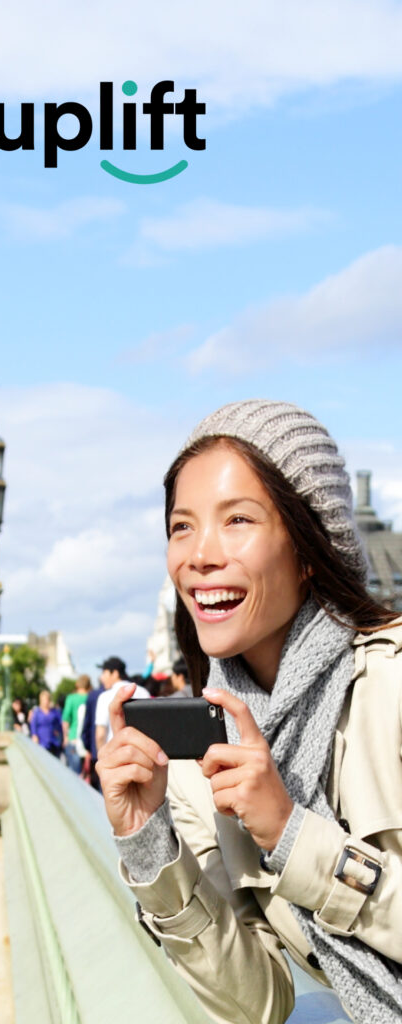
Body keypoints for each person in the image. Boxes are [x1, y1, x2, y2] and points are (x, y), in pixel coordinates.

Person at [97, 399, 402, 1024]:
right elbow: (259, 1001)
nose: (199, 555)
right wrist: (148, 844)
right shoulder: (198, 760)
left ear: (310, 547)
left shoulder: (390, 686)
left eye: (237, 519)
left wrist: (292, 835)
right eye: (182, 526)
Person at [94, 656, 150, 753]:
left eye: (104, 673)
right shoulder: (143, 692)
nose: (101, 677)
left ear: (115, 673)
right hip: (142, 754)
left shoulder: (105, 696)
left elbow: (100, 734)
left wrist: (102, 757)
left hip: (116, 756)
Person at [62, 674, 92, 773]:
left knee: (74, 774)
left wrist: (65, 736)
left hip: (74, 738)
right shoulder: (91, 698)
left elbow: (65, 720)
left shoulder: (71, 698)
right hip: (88, 741)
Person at [29, 689, 63, 758]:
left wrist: (59, 734)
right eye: (44, 700)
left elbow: (60, 724)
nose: (46, 702)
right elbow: (33, 726)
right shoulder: (37, 712)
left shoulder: (55, 712)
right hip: (42, 742)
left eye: (47, 700)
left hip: (54, 742)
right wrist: (34, 736)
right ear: (40, 700)